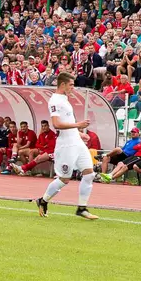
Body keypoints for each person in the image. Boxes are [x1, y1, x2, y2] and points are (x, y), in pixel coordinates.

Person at [33, 73, 100, 220]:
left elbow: (67, 120)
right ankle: (43, 200)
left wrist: (78, 132)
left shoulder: (65, 99)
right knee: (65, 178)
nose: (73, 88)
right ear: (62, 85)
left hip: (76, 141)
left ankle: (82, 208)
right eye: (71, 85)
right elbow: (56, 124)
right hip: (66, 145)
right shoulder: (55, 101)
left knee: (89, 174)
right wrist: (78, 125)